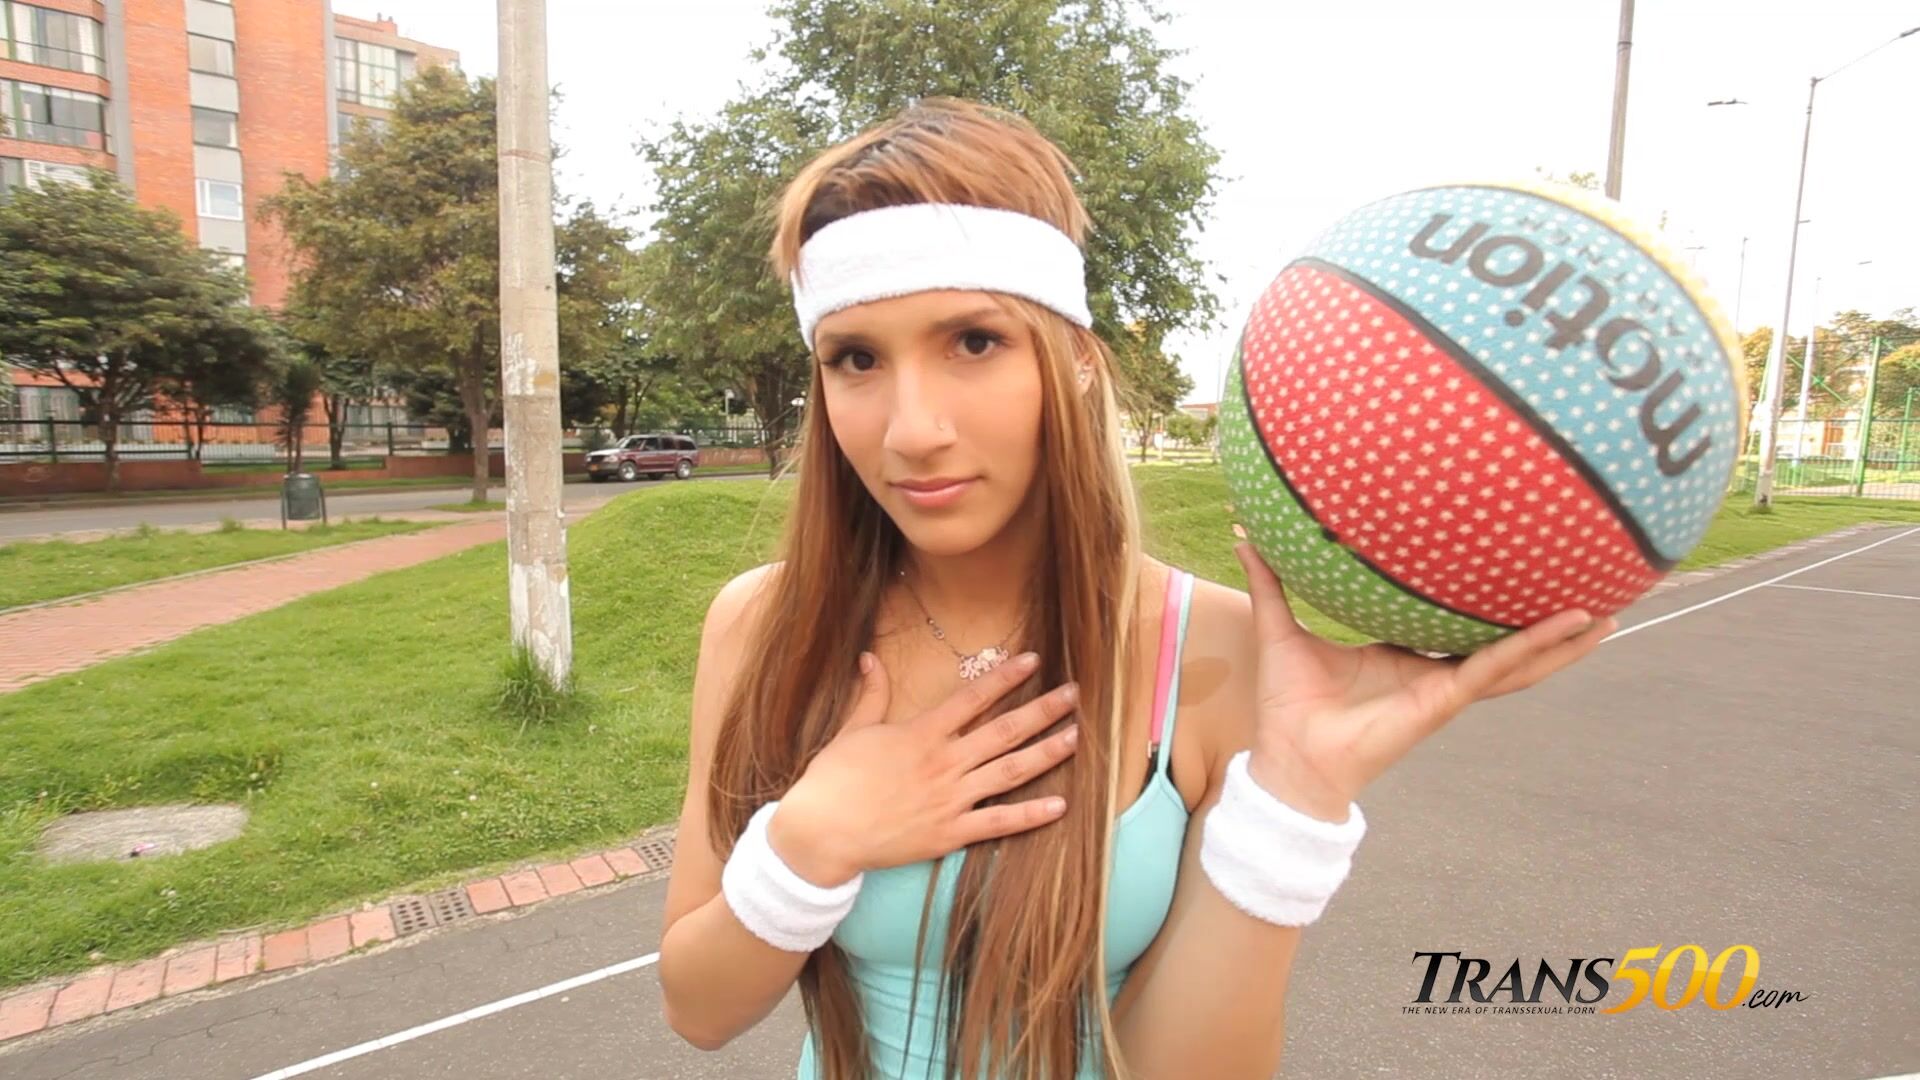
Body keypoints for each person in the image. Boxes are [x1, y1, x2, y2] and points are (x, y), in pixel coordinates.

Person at [657, 97, 1614, 1080]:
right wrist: (811, 842)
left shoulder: (1216, 651)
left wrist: (1296, 799)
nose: (912, 430)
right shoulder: (763, 626)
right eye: (856, 358)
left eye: (974, 341)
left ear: (1076, 359)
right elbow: (698, 1008)